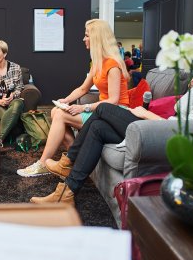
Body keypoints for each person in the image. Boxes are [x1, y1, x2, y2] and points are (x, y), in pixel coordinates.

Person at [29, 15, 193, 204]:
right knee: (98, 127)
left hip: (169, 134)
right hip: (165, 128)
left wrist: (147, 114)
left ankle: (68, 161)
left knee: (102, 110)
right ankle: (66, 193)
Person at [17, 19, 130, 177]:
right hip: (101, 111)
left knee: (60, 115)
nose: (83, 39)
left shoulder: (112, 65)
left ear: (97, 39)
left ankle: (44, 163)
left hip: (114, 114)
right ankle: (74, 161)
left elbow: (114, 101)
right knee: (56, 111)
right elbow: (83, 88)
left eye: (86, 36)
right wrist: (66, 100)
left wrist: (83, 107)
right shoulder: (98, 63)